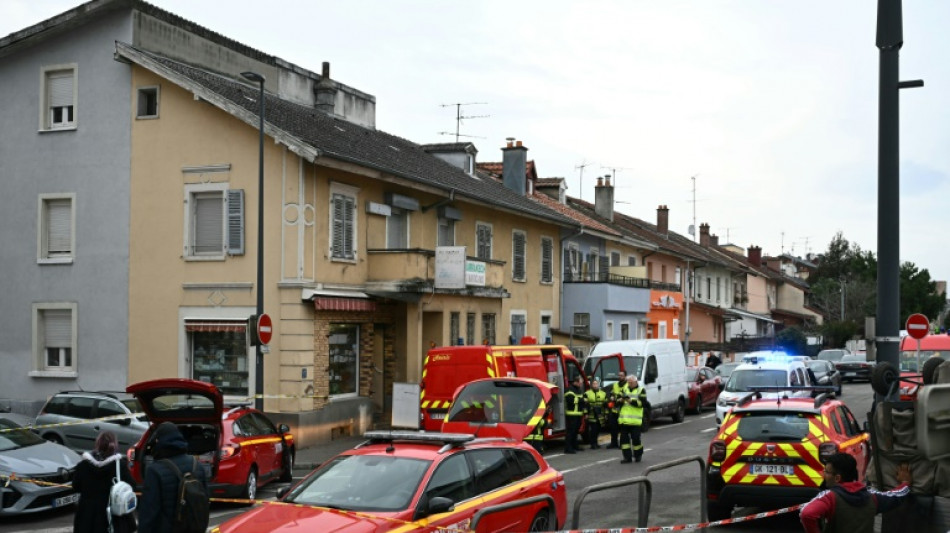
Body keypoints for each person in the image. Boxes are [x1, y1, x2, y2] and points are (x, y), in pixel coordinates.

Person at [800, 453, 912, 533]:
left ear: (837, 478)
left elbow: (807, 514)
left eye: (827, 472)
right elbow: (897, 495)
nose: (824, 475)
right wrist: (905, 482)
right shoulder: (871, 497)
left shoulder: (829, 497)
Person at [139, 422, 210, 533]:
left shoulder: (155, 471)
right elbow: (205, 502)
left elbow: (148, 513)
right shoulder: (197, 466)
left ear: (159, 441)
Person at [73, 430, 137, 533]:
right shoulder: (119, 466)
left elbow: (75, 486)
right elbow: (132, 486)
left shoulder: (82, 466)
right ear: (114, 445)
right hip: (113, 518)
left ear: (97, 444)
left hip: (87, 518)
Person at [618, 374, 647, 463]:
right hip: (624, 421)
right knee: (624, 441)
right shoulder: (624, 388)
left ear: (635, 382)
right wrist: (621, 400)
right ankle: (627, 457)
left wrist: (631, 401)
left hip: (635, 421)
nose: (629, 384)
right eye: (628, 382)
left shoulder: (641, 390)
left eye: (631, 382)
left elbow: (642, 404)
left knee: (636, 439)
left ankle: (638, 455)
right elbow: (618, 399)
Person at [563, 375, 586, 454]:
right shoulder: (569, 390)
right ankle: (568, 448)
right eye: (581, 382)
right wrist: (582, 400)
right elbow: (571, 401)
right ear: (576, 382)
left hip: (578, 414)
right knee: (571, 432)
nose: (581, 384)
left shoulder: (578, 390)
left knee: (576, 431)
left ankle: (575, 446)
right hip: (571, 414)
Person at [605, 370, 627, 449]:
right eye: (619, 375)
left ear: (625, 376)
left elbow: (625, 397)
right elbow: (611, 393)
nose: (620, 377)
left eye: (621, 375)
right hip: (614, 410)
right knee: (613, 428)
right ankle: (613, 443)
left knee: (623, 429)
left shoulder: (627, 385)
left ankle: (622, 444)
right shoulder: (615, 385)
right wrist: (611, 397)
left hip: (623, 410)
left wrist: (616, 398)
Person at [584, 379, 607, 449]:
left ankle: (596, 443)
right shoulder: (587, 393)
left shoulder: (603, 393)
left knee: (598, 430)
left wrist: (606, 414)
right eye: (593, 384)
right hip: (591, 414)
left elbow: (605, 405)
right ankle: (593, 444)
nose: (595, 385)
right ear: (591, 385)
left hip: (600, 415)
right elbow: (585, 405)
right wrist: (586, 413)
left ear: (598, 384)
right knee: (593, 430)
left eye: (596, 384)